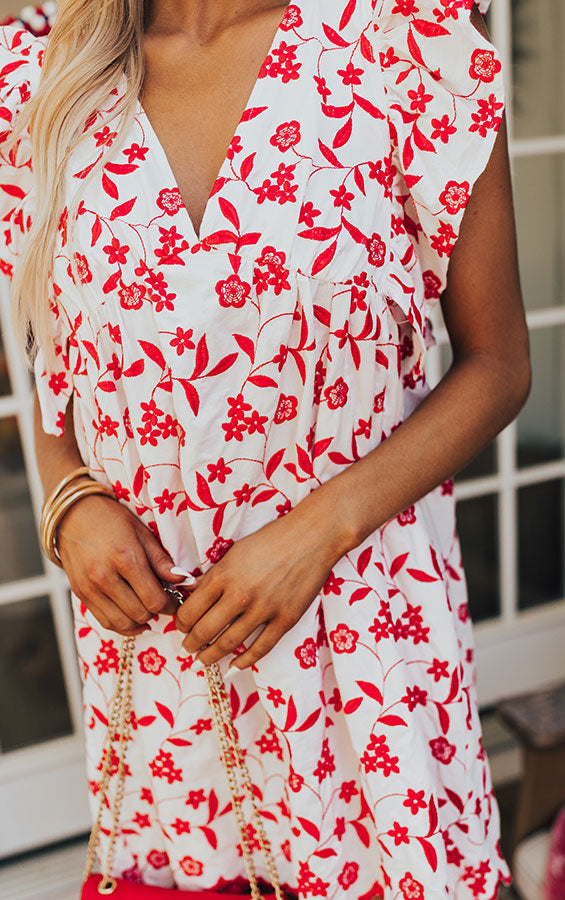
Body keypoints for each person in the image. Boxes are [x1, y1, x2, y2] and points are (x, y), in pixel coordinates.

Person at [0, 0, 530, 896]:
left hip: (364, 644)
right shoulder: (44, 74)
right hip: (165, 659)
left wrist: (314, 534)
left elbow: (499, 363)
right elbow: (60, 377)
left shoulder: (402, 45)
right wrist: (70, 506)